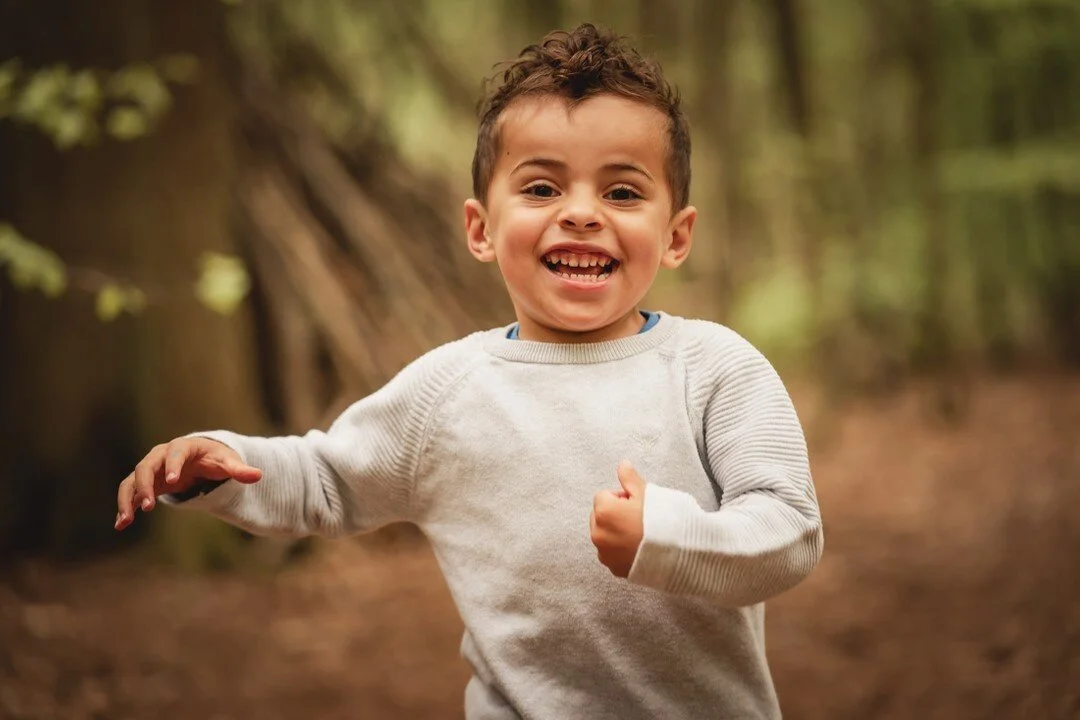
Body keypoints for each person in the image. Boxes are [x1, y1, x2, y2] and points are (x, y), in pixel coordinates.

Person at [114, 23, 823, 719]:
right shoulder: (448, 392)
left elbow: (788, 531)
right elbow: (328, 480)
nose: (581, 213)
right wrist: (221, 463)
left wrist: (666, 536)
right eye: (542, 189)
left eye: (623, 193)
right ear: (481, 229)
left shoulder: (714, 369)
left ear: (676, 235)